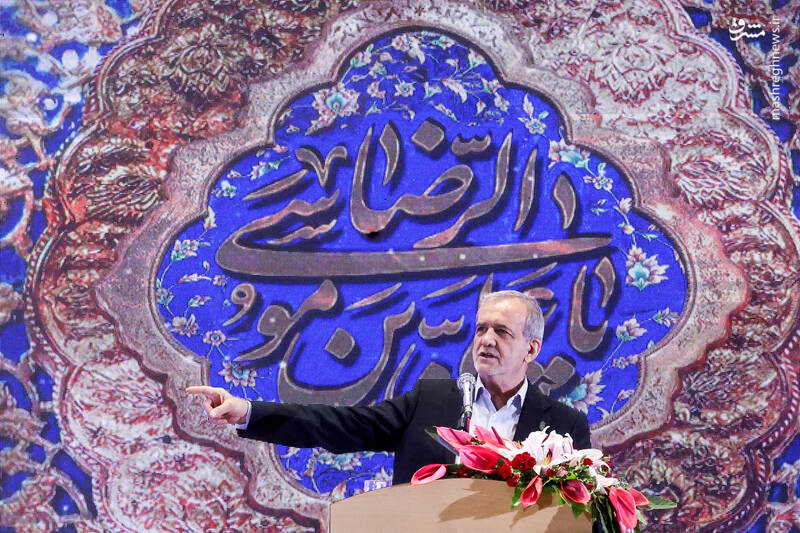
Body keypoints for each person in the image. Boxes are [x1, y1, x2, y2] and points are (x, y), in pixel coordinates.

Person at [187, 290, 591, 485]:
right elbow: (341, 425)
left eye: (501, 331)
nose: (485, 340)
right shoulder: (433, 401)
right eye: (481, 328)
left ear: (531, 349)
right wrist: (248, 412)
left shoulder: (565, 427)